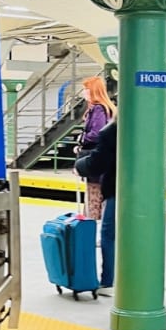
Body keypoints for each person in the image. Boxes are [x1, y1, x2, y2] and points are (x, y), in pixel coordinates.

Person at [74, 121, 116, 293]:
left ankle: (108, 282)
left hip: (119, 189)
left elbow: (98, 162)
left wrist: (79, 165)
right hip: (148, 192)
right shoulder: (150, 126)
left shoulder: (112, 131)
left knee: (108, 234)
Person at [76, 76, 117, 220]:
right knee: (101, 200)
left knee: (93, 200)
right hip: (103, 161)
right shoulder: (106, 108)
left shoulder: (98, 109)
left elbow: (95, 133)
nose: (84, 93)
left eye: (86, 89)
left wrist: (81, 140)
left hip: (95, 160)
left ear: (93, 91)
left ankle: (91, 232)